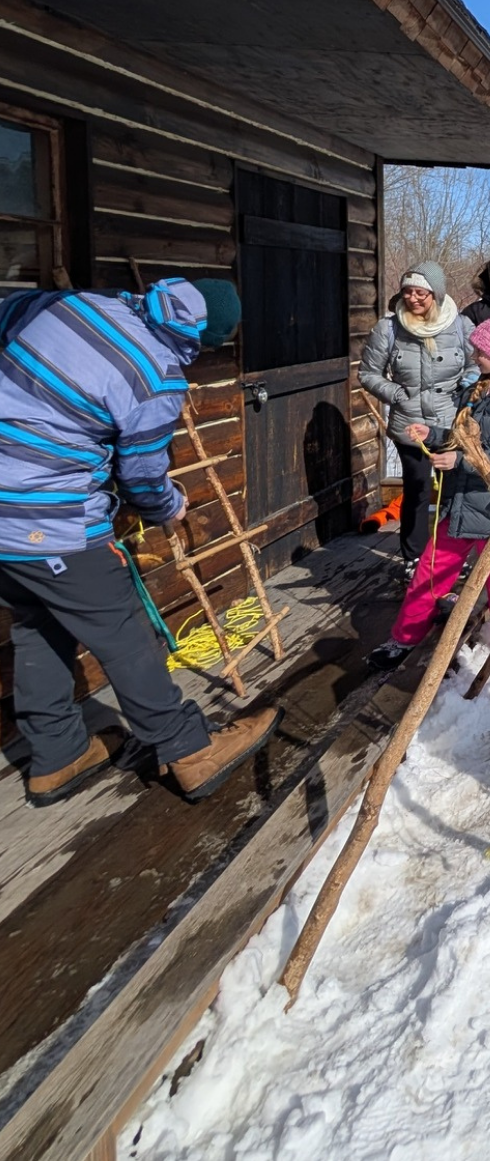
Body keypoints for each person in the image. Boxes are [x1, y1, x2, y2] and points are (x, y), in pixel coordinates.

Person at [0, 277, 279, 806]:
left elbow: (8, 311)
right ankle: (188, 749)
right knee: (124, 631)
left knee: (38, 623)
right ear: (202, 340)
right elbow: (144, 474)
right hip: (52, 515)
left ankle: (56, 756)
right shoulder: (154, 376)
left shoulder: (79, 305)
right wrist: (168, 507)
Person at [368, 306, 490, 680]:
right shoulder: (478, 390)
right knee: (429, 576)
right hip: (461, 504)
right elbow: (461, 438)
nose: (474, 355)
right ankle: (403, 639)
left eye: (481, 350)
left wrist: (460, 463)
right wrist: (433, 436)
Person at [359, 261, 475, 578]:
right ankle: (414, 556)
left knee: (455, 491)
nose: (413, 298)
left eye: (420, 292)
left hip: (452, 425)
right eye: (407, 291)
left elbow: (477, 364)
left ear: (435, 294)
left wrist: (466, 389)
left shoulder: (460, 325)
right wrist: (396, 394)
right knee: (418, 489)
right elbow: (368, 374)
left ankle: (453, 553)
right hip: (409, 424)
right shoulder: (389, 328)